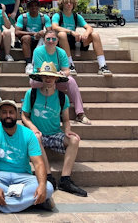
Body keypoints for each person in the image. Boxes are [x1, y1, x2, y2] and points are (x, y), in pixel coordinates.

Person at [0, 100, 54, 214]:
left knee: (48, 188)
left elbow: (39, 163)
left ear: (16, 114)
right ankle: (33, 201)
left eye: (11, 112)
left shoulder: (28, 134)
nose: (8, 115)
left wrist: (41, 186)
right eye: (4, 112)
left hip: (22, 176)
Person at [22, 62, 88, 197]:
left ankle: (65, 179)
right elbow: (24, 115)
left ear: (56, 78)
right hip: (38, 134)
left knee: (74, 140)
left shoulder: (62, 97)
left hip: (55, 134)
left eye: (51, 76)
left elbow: (65, 119)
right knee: (35, 137)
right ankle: (48, 176)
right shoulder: (32, 93)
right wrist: (34, 128)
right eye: (45, 76)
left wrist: (67, 131)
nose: (48, 79)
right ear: (40, 77)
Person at [31, 29, 91, 125]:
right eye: (48, 39)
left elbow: (66, 70)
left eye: (53, 39)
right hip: (40, 79)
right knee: (35, 82)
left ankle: (80, 113)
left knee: (71, 80)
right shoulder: (38, 51)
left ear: (58, 40)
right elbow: (39, 70)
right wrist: (54, 76)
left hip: (57, 78)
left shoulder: (62, 52)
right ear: (44, 39)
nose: (51, 41)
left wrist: (62, 74)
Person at [52, 0, 112, 76]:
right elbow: (54, 27)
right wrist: (71, 31)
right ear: (62, 4)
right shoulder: (58, 15)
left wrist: (86, 34)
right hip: (62, 42)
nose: (69, 4)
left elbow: (89, 27)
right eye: (66, 2)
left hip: (75, 41)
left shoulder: (76, 16)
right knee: (62, 34)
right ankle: (69, 65)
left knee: (95, 34)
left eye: (71, 2)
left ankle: (103, 66)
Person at [15, 0, 52, 74]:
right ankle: (29, 63)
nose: (34, 7)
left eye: (36, 5)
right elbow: (17, 32)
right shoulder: (22, 17)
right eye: (31, 6)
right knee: (26, 38)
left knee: (49, 38)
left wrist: (43, 32)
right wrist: (33, 34)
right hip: (27, 41)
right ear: (28, 7)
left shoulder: (44, 17)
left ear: (39, 7)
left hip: (40, 41)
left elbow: (50, 31)